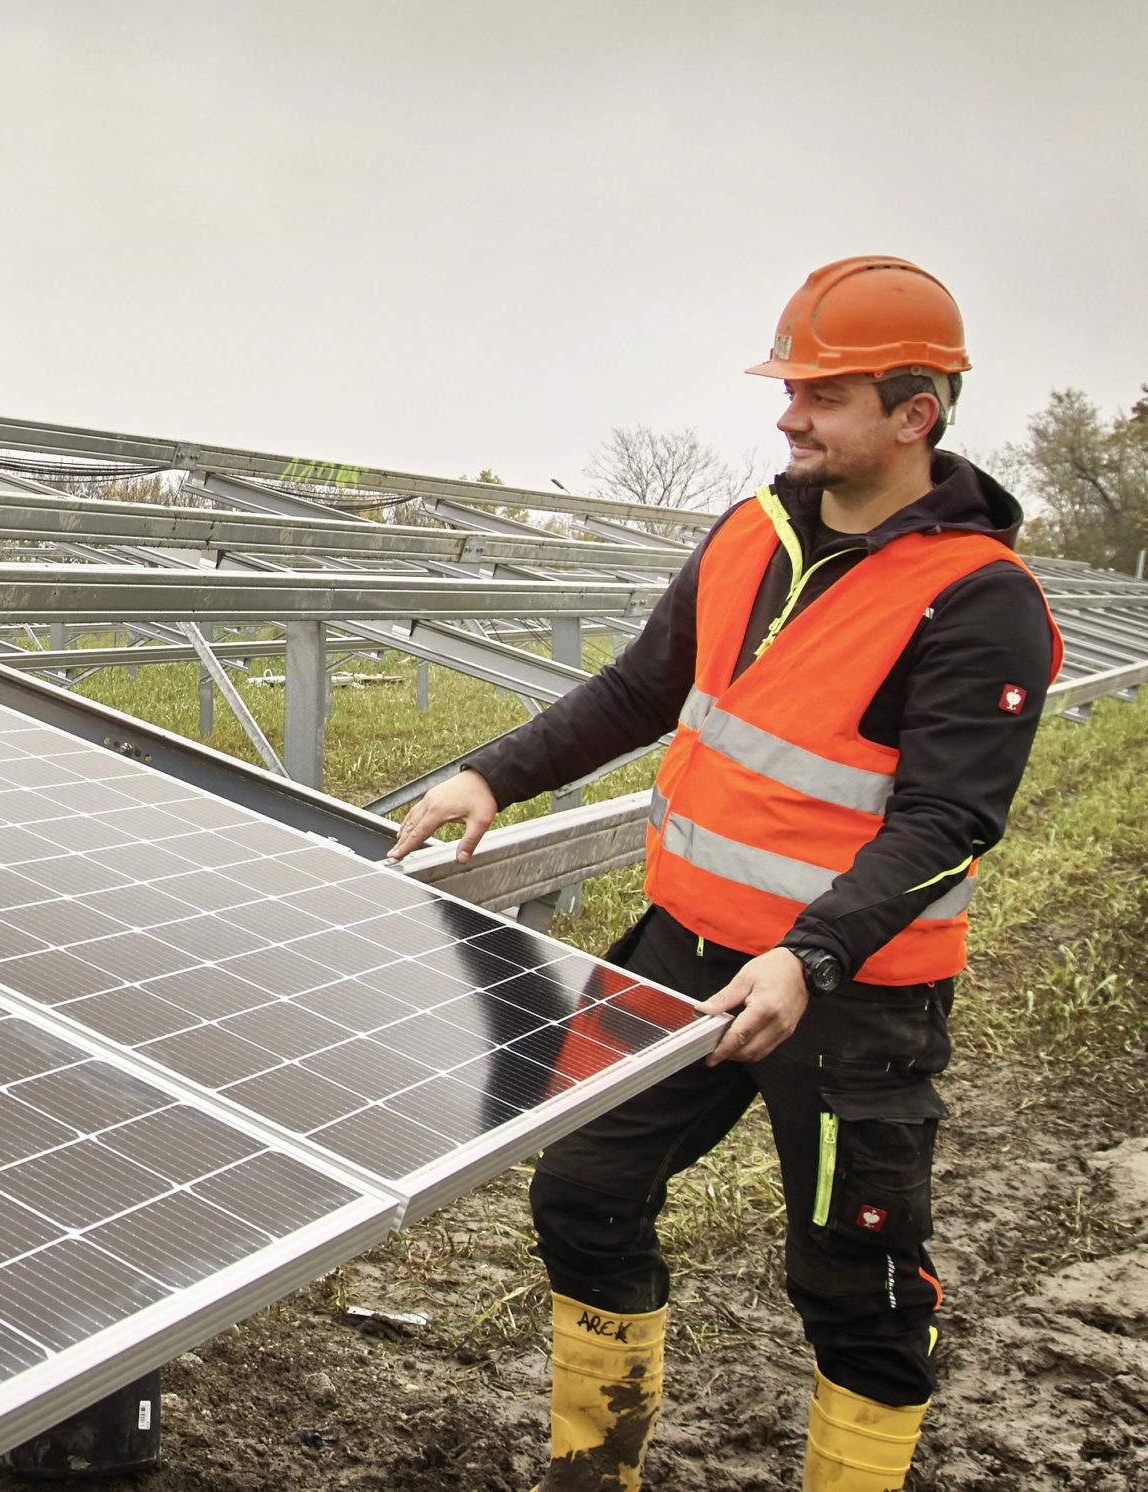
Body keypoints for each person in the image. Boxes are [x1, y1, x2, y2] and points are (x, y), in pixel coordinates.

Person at [388, 257, 1061, 1490]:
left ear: (915, 416)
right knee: (583, 1189)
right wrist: (494, 773)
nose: (786, 414)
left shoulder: (977, 601)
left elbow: (948, 820)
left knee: (854, 1279)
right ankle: (600, 1466)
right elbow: (642, 687)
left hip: (853, 994)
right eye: (788, 386)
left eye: (821, 395)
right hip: (685, 948)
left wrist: (808, 954)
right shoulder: (750, 533)